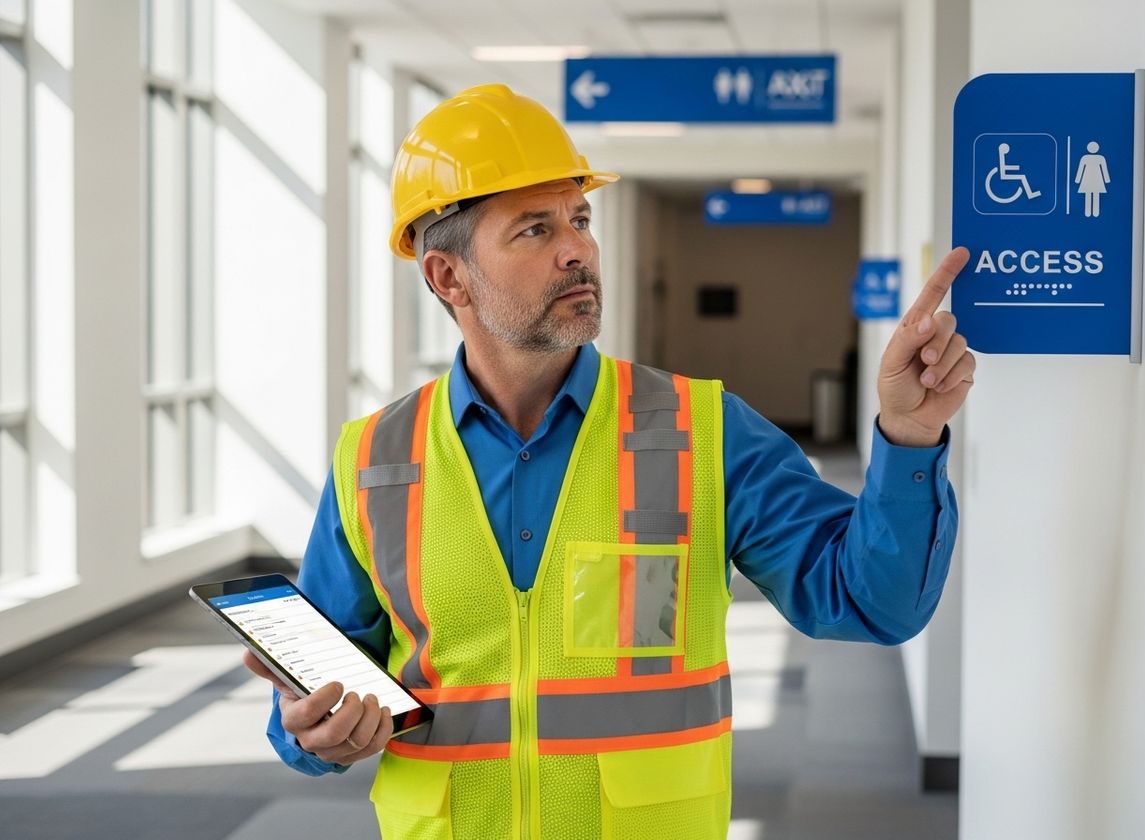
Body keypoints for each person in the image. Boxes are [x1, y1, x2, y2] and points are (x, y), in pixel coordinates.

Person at [242, 83, 975, 840]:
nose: (578, 249)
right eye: (533, 229)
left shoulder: (703, 430)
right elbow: (317, 697)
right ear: (447, 277)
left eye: (580, 219)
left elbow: (871, 602)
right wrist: (309, 733)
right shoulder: (373, 459)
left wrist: (908, 438)